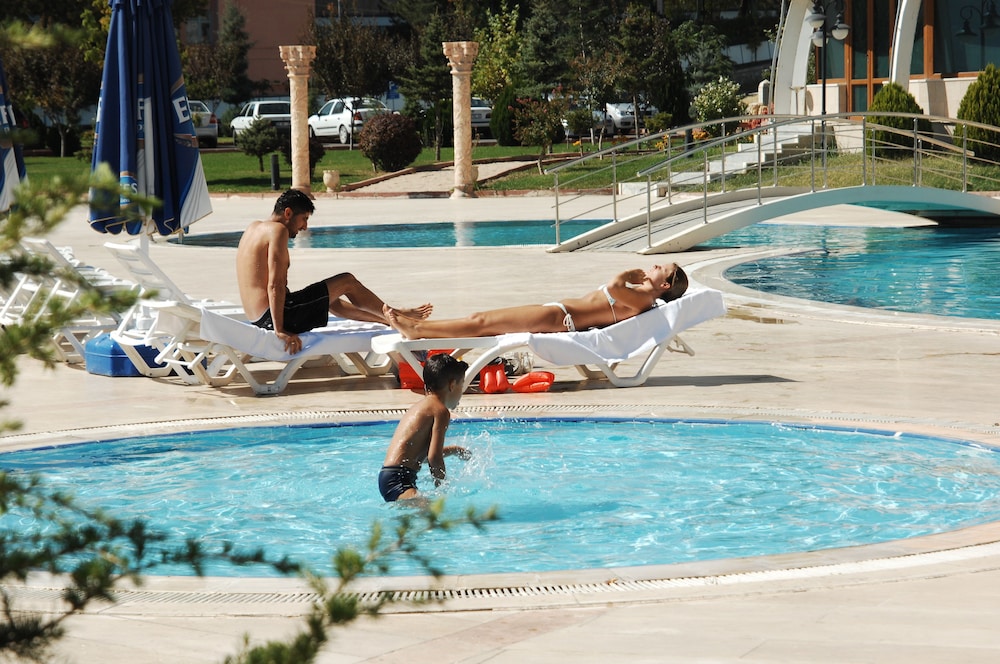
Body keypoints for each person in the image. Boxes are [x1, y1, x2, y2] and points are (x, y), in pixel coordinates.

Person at [236, 189, 432, 354]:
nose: (305, 227)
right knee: (347, 281)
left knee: (331, 298)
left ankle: (390, 318)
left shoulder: (253, 228)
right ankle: (397, 316)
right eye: (304, 219)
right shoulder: (278, 231)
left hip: (258, 319)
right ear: (288, 213)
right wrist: (280, 330)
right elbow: (275, 285)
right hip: (276, 318)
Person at [384, 263, 688, 340]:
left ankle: (418, 330)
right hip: (558, 314)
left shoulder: (642, 299)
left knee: (482, 323)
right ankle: (418, 328)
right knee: (481, 320)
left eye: (661, 268)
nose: (655, 265)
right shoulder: (642, 297)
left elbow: (613, 287)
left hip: (558, 320)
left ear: (664, 285)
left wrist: (625, 275)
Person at [379, 354, 472, 503]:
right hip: (399, 480)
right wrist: (442, 489)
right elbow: (434, 458)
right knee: (434, 513)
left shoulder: (422, 407)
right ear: (452, 385)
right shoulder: (440, 411)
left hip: (390, 477)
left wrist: (454, 450)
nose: (461, 392)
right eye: (462, 386)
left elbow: (423, 455)